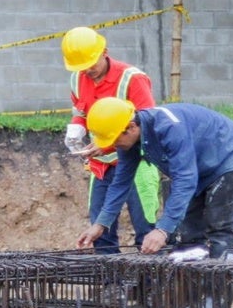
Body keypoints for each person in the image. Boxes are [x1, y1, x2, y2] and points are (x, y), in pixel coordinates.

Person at [75, 97, 233, 260]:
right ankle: (195, 287)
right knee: (188, 233)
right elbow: (121, 183)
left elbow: (185, 180)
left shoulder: (169, 129)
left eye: (115, 140)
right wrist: (101, 224)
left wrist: (162, 230)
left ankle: (221, 286)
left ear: (131, 127)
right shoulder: (130, 140)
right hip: (199, 167)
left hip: (231, 157)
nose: (114, 145)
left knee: (219, 226)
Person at [61, 26, 161, 254]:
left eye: (91, 64)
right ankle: (110, 277)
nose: (87, 70)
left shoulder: (132, 79)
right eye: (81, 67)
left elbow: (148, 123)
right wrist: (76, 127)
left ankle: (152, 275)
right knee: (101, 234)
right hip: (102, 167)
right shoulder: (77, 79)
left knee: (146, 232)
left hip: (138, 164)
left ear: (104, 52)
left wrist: (106, 145)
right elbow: (81, 112)